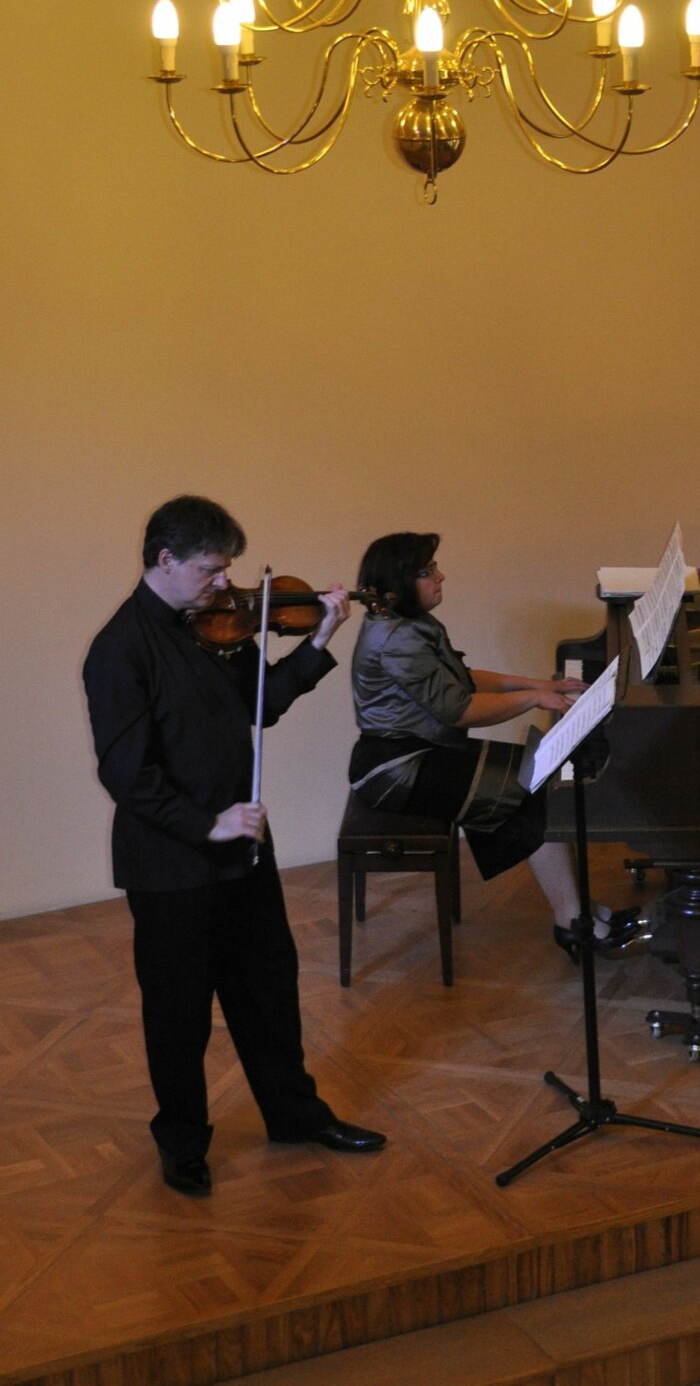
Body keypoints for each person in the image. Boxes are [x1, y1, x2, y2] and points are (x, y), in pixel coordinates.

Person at [83, 494, 386, 1198]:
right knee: (179, 1010)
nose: (226, 583)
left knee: (268, 987)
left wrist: (319, 641)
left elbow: (263, 703)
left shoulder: (214, 627)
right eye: (211, 569)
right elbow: (126, 773)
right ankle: (183, 1142)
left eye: (227, 569)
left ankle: (295, 1115)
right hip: (170, 863)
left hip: (242, 846)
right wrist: (206, 824)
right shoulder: (119, 650)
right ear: (166, 560)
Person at [348, 531, 648, 959]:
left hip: (420, 753)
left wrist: (538, 684)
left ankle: (580, 911)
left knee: (538, 780)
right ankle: (573, 923)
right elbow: (460, 711)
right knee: (529, 788)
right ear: (399, 584)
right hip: (396, 768)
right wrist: (533, 699)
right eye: (427, 572)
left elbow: (463, 678)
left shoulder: (410, 623)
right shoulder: (397, 639)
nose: (440, 576)